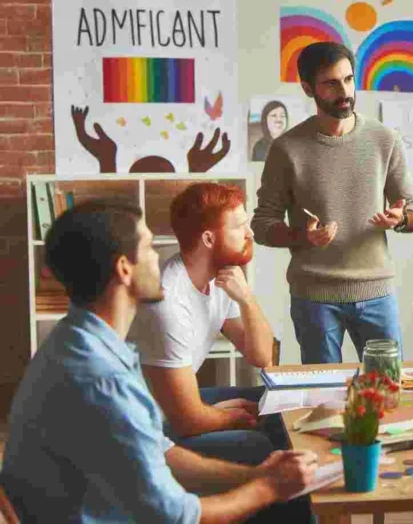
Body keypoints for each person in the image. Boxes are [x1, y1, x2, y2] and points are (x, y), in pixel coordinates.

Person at [0, 200, 317, 523]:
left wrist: (253, 476)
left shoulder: (81, 342)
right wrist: (269, 488)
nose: (159, 257)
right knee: (288, 503)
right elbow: (175, 515)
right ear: (124, 268)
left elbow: (161, 451)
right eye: (149, 247)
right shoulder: (101, 379)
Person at [252, 41, 413, 364]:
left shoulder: (385, 139)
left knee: (388, 389)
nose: (344, 91)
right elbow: (262, 225)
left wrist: (401, 219)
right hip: (314, 297)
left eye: (348, 79)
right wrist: (303, 236)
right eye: (331, 83)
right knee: (323, 398)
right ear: (307, 88)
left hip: (377, 292)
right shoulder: (286, 149)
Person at [131, 182, 284, 466]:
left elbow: (263, 357)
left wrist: (247, 299)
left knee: (276, 404)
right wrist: (228, 416)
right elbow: (187, 421)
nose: (250, 233)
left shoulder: (219, 279)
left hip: (176, 406)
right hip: (148, 426)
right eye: (240, 226)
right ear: (209, 240)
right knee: (259, 443)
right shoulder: (169, 304)